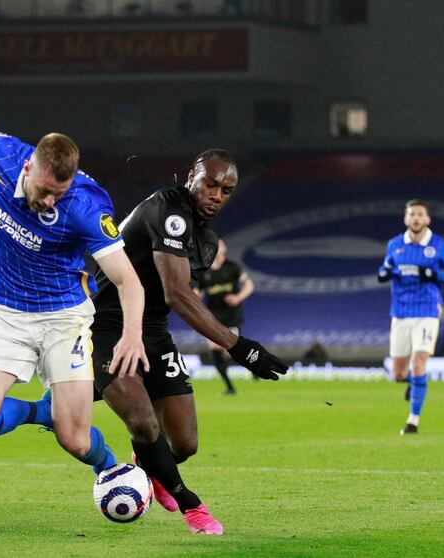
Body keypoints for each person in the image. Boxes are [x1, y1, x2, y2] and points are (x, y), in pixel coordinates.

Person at [0, 24, 148, 475]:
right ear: (31, 165)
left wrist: (132, 333)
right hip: (6, 313)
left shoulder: (86, 205)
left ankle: (110, 469)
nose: (50, 201)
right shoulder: (3, 158)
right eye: (45, 190)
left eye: (60, 192)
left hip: (63, 317)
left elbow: (125, 279)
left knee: (75, 439)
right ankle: (42, 412)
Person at [89, 149, 288, 535]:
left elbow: (169, 303)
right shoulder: (168, 208)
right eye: (210, 183)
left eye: (226, 190)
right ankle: (191, 505)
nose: (216, 194)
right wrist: (240, 347)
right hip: (107, 326)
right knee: (144, 423)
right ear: (190, 176)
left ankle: (149, 465)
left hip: (154, 332)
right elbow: (178, 294)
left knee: (184, 444)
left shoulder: (208, 242)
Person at [378, 199, 444, 435]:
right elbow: (385, 269)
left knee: (419, 363)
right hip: (401, 311)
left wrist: (431, 274)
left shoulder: (440, 246)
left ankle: (412, 421)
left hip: (427, 310)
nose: (416, 218)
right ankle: (415, 385)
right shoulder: (395, 245)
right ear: (405, 219)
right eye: (412, 214)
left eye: (420, 214)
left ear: (427, 219)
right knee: (399, 374)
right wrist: (383, 273)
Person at [196, 237, 255, 394]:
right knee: (214, 347)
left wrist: (238, 298)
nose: (217, 247)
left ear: (225, 248)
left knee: (233, 351)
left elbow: (249, 285)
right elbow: (197, 294)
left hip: (232, 316)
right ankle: (229, 387)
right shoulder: (204, 271)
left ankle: (254, 366)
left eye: (220, 244)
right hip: (213, 317)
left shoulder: (233, 268)